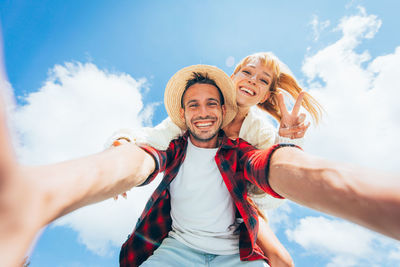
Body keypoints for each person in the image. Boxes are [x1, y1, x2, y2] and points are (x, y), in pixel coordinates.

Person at [1, 65, 399, 267]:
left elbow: (274, 171)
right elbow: (139, 158)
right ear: (182, 113)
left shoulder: (246, 147)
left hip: (236, 250)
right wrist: (41, 196)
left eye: (212, 104)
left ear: (224, 110)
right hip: (177, 247)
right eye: (194, 104)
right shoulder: (172, 143)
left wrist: (290, 143)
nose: (203, 112)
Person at [109, 52, 322, 266]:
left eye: (263, 80)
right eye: (247, 72)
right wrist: (123, 143)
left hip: (243, 205)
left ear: (265, 96)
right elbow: (155, 137)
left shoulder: (260, 132)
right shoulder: (202, 113)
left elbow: (270, 184)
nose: (252, 80)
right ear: (232, 77)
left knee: (282, 260)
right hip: (194, 210)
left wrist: (286, 141)